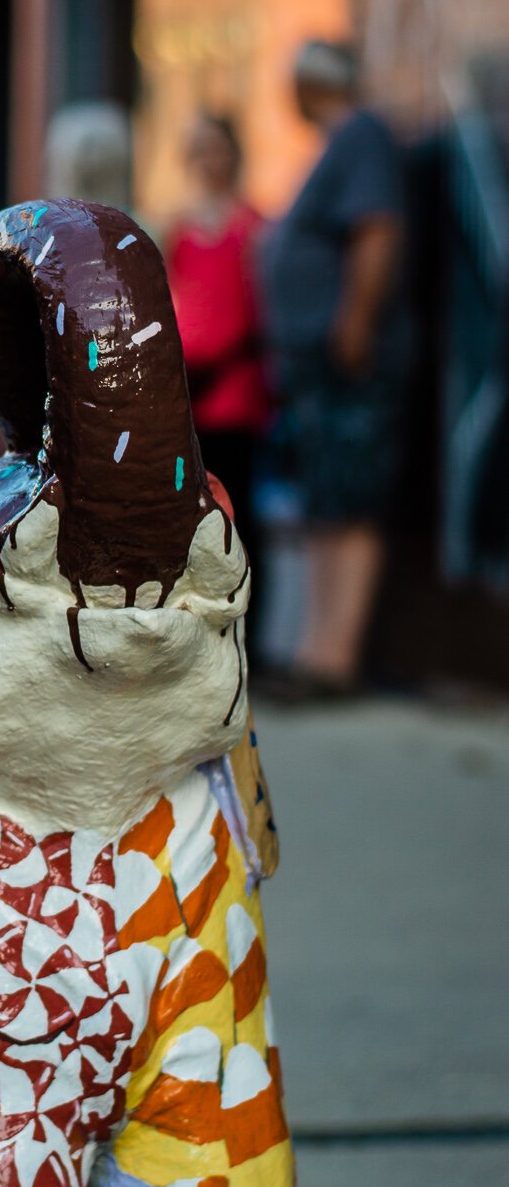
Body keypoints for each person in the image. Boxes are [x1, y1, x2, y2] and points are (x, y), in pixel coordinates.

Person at [261, 39, 410, 696]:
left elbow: (377, 229)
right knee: (326, 500)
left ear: (313, 82)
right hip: (316, 362)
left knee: (350, 499)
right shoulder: (339, 144)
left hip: (349, 357)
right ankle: (316, 651)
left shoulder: (363, 136)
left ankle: (336, 658)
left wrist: (355, 322)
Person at [164, 112, 270, 595]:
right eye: (200, 148)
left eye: (218, 147)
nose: (210, 160)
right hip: (190, 392)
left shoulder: (253, 228)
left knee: (239, 505)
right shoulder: (178, 232)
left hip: (236, 390)